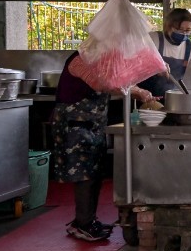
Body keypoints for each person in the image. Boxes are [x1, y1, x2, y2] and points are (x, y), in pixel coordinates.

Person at [53, 52, 153, 241]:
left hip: (92, 124)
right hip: (75, 123)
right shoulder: (81, 59)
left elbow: (117, 78)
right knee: (85, 175)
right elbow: (103, 83)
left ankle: (86, 221)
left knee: (95, 173)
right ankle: (83, 224)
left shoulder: (101, 58)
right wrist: (136, 91)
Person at [138, 8, 191, 97]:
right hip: (145, 97)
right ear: (168, 26)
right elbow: (137, 63)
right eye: (179, 29)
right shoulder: (153, 39)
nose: (183, 34)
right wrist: (155, 65)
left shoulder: (190, 47)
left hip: (172, 99)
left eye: (187, 30)